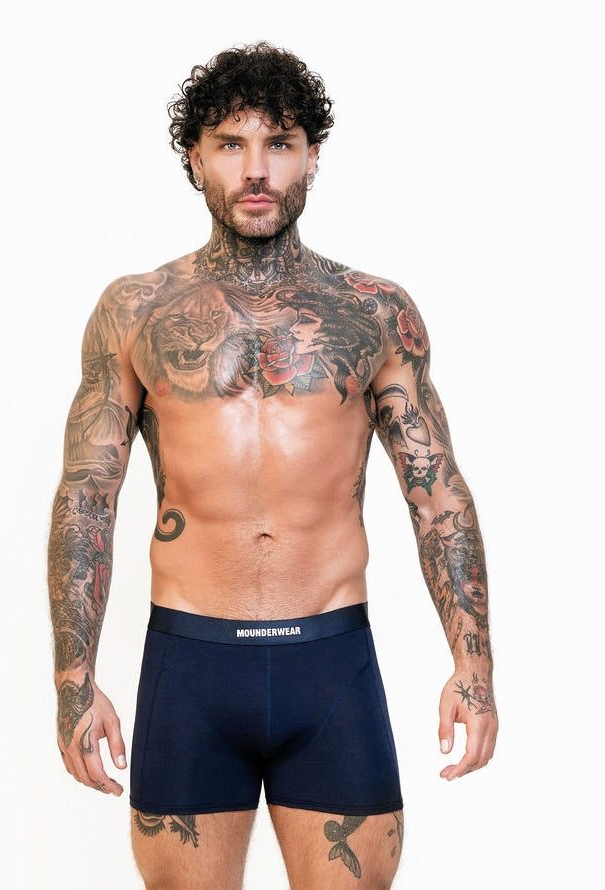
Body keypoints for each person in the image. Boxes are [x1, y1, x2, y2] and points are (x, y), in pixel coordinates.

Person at [47, 42, 497, 889]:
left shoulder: (376, 313)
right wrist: (75, 682)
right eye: (231, 143)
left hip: (330, 664)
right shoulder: (134, 311)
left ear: (312, 156)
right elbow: (87, 497)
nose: (256, 169)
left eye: (279, 143)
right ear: (195, 158)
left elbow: (437, 494)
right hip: (191, 666)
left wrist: (474, 668)